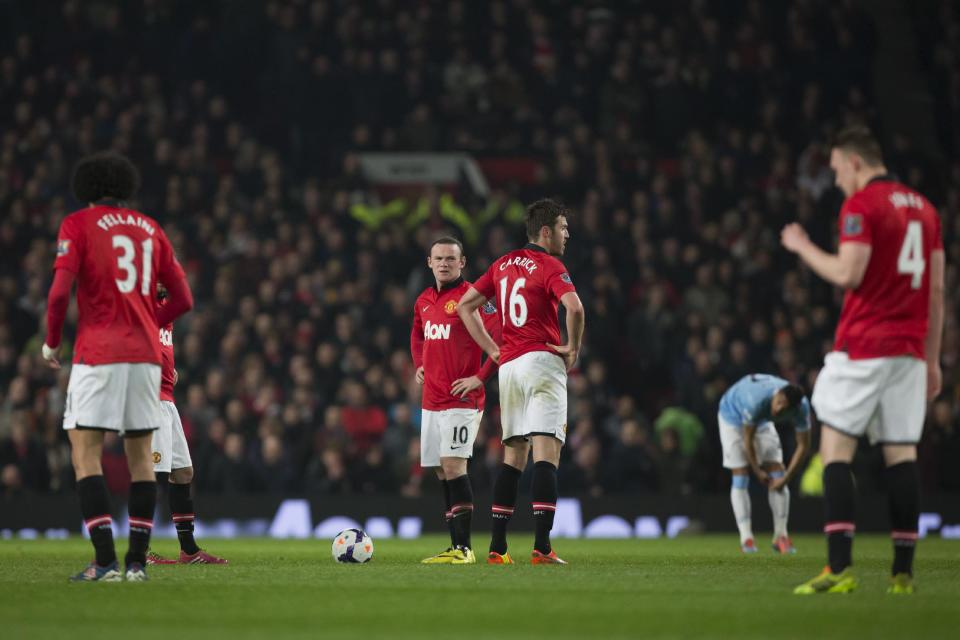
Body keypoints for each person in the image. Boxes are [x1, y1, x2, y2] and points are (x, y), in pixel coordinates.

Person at [782, 126, 944, 595]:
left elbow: (847, 272)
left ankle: (838, 570)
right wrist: (931, 361)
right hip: (910, 353)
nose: (836, 181)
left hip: (865, 346)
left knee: (835, 451)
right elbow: (935, 292)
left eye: (836, 170)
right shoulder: (926, 210)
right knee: (901, 454)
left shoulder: (862, 205)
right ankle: (902, 575)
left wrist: (801, 246)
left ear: (855, 162)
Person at [42, 151, 193, 581]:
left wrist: (52, 342)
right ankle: (137, 565)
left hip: (97, 354)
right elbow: (183, 300)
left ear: (85, 189)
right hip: (146, 359)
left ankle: (105, 560)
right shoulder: (151, 229)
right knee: (142, 459)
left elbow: (57, 295)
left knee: (85, 453)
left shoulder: (77, 225)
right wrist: (149, 325)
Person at [457, 198, 585, 565]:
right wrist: (572, 348)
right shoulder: (549, 264)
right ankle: (542, 547)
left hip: (510, 367)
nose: (567, 234)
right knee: (547, 454)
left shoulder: (501, 264)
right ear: (545, 232)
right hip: (542, 360)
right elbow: (575, 308)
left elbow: (467, 306)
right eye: (562, 228)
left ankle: (497, 548)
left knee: (513, 456)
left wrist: (492, 349)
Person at [411, 237, 500, 565]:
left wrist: (480, 377)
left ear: (462, 263)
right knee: (441, 472)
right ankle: (455, 546)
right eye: (439, 258)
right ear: (429, 262)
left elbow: (499, 340)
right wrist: (419, 363)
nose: (445, 263)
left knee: (453, 465)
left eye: (451, 258)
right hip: (431, 400)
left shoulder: (474, 298)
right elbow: (417, 335)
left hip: (462, 401)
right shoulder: (423, 300)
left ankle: (465, 549)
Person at [146, 285, 227, 566]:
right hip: (150, 398)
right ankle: (140, 550)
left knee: (182, 472)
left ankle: (189, 551)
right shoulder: (137, 305)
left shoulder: (165, 312)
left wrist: (169, 370)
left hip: (167, 398)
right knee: (153, 473)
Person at [717, 374, 811, 554]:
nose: (779, 408)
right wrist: (757, 470)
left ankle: (781, 536)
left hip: (760, 420)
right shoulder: (756, 401)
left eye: (785, 407)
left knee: (777, 471)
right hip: (732, 414)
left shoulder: (802, 409)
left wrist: (787, 478)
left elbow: (804, 446)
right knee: (741, 472)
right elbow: (748, 439)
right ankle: (747, 539)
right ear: (777, 394)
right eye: (779, 401)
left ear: (794, 409)